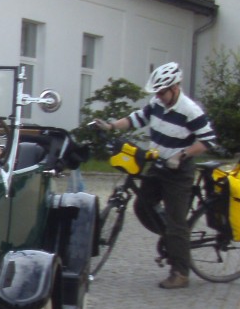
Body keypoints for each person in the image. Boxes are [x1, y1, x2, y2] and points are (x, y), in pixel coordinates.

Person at [91, 61, 216, 288]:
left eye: (162, 92)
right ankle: (174, 240)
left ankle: (180, 272)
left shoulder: (190, 110)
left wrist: (183, 155)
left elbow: (207, 141)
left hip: (179, 170)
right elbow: (136, 119)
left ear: (175, 88)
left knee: (176, 222)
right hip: (158, 163)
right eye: (156, 92)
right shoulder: (157, 103)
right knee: (142, 206)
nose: (158, 96)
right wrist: (110, 126)